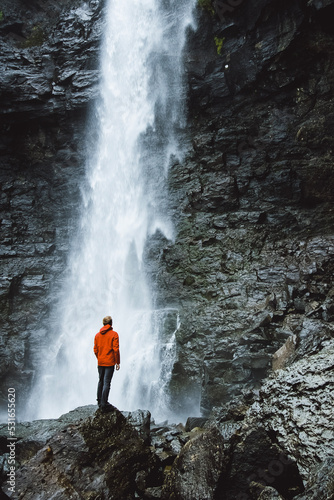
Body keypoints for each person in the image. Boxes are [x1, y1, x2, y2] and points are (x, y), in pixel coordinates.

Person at [94, 315, 120, 413]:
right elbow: (116, 350)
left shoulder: (97, 335)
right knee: (106, 382)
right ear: (111, 323)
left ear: (103, 323)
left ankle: (99, 401)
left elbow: (95, 349)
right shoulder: (114, 334)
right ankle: (104, 403)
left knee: (100, 380)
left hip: (100, 361)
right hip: (109, 362)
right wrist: (117, 362)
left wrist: (99, 357)